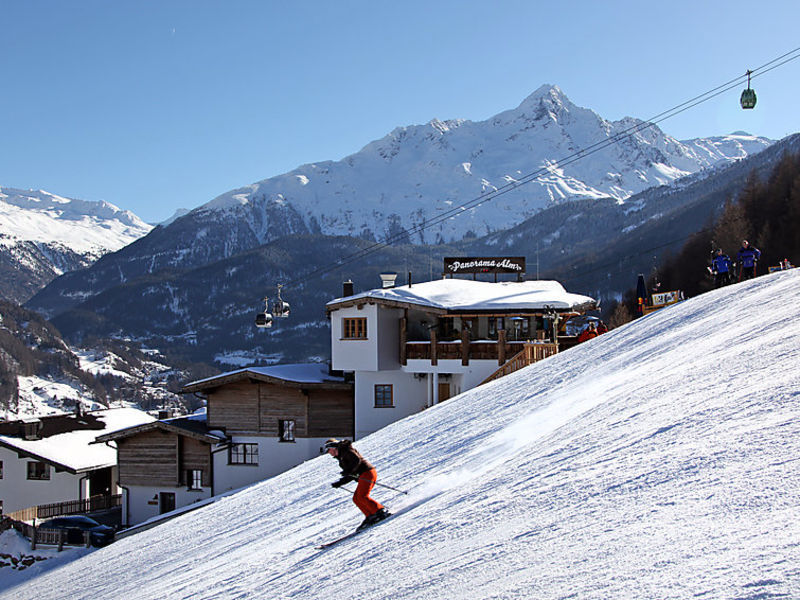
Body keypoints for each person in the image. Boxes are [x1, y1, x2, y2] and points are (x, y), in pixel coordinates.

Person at [325, 438, 390, 530]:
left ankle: (380, 511)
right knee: (356, 498)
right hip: (363, 475)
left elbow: (356, 461)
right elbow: (352, 474)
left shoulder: (346, 451)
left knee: (362, 496)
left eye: (329, 450)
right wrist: (340, 482)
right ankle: (370, 515)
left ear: (334, 447)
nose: (329, 453)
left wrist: (348, 471)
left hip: (367, 473)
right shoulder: (341, 458)